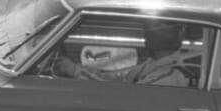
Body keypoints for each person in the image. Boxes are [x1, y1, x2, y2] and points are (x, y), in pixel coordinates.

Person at [53, 21, 193, 87]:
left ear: (175, 34)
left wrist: (75, 71)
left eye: (155, 27)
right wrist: (76, 69)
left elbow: (124, 96)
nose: (147, 33)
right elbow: (118, 78)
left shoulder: (171, 75)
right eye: (148, 27)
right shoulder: (152, 64)